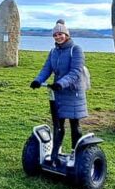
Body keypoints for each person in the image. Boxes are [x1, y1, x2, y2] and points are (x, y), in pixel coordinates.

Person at [29, 19, 88, 162]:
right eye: (55, 35)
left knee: (75, 125)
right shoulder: (53, 52)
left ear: (66, 35)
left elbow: (76, 72)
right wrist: (38, 80)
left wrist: (61, 83)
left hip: (73, 93)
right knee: (58, 124)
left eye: (60, 34)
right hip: (58, 92)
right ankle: (56, 151)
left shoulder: (76, 50)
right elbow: (47, 68)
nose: (58, 37)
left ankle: (76, 153)